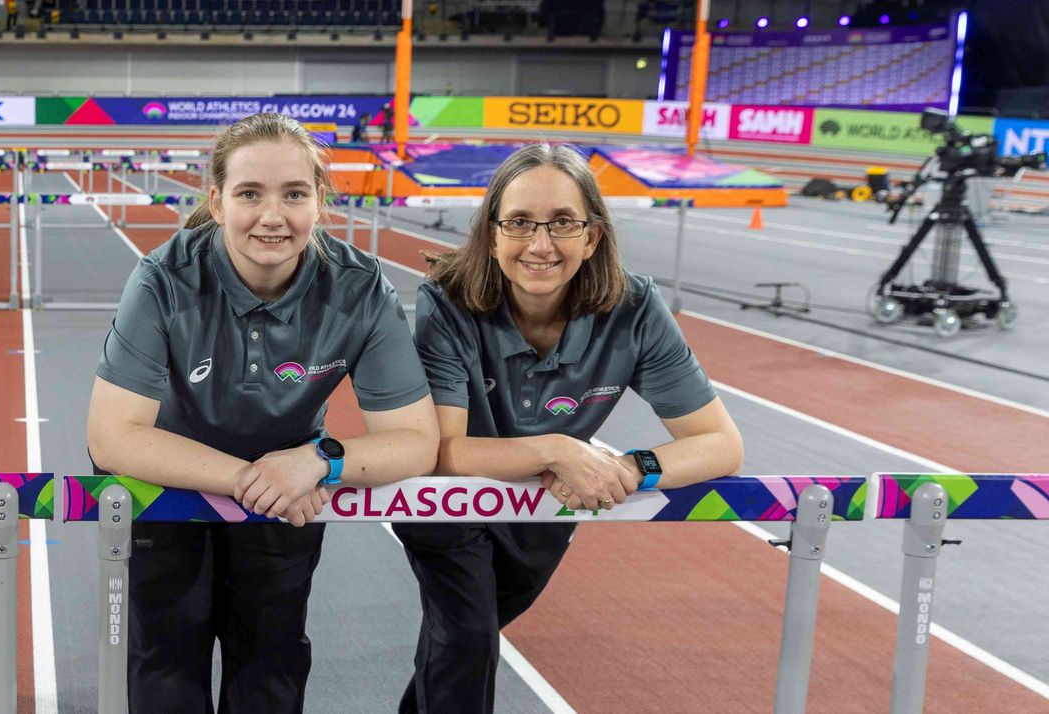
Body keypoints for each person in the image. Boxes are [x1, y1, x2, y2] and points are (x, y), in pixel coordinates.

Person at [85, 112, 440, 713]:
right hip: (172, 490)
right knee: (165, 666)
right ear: (217, 202)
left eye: (294, 194)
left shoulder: (359, 289)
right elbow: (113, 437)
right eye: (250, 193)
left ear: (320, 202)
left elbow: (415, 442)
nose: (272, 216)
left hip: (290, 496)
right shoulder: (162, 279)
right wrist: (260, 481)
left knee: (269, 666)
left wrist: (319, 460)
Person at [397, 144, 744, 714]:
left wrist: (630, 468)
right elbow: (439, 452)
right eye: (519, 223)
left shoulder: (633, 309)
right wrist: (559, 449)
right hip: (451, 504)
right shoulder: (449, 300)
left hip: (545, 513)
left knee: (460, 645)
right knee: (465, 640)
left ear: (593, 237)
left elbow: (721, 444)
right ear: (491, 233)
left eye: (562, 222)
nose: (540, 244)